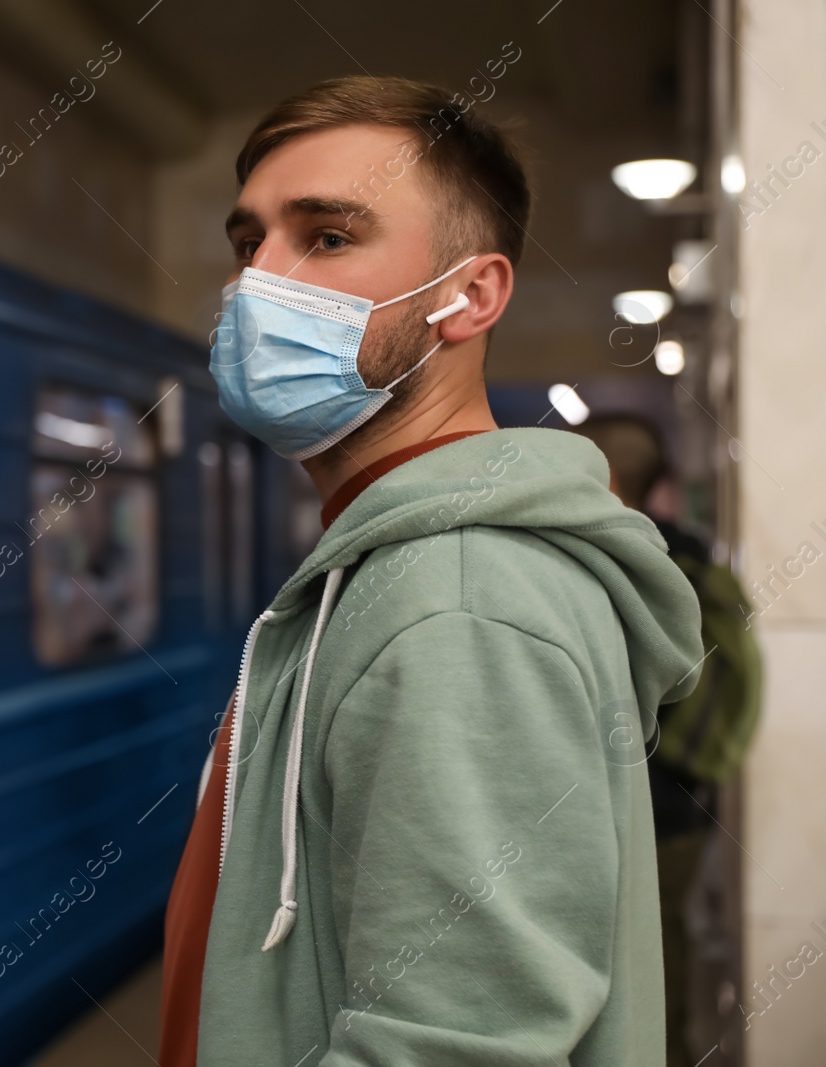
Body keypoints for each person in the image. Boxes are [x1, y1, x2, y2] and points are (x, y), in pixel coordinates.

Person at [160, 77, 705, 1066]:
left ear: (472, 294)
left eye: (325, 237)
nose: (257, 284)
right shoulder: (402, 565)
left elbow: (459, 1043)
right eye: (250, 243)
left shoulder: (455, 597)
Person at [580, 414, 763, 1067]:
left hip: (629, 801)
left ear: (600, 473)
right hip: (683, 801)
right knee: (660, 948)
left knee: (616, 960)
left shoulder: (613, 554)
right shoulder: (691, 554)